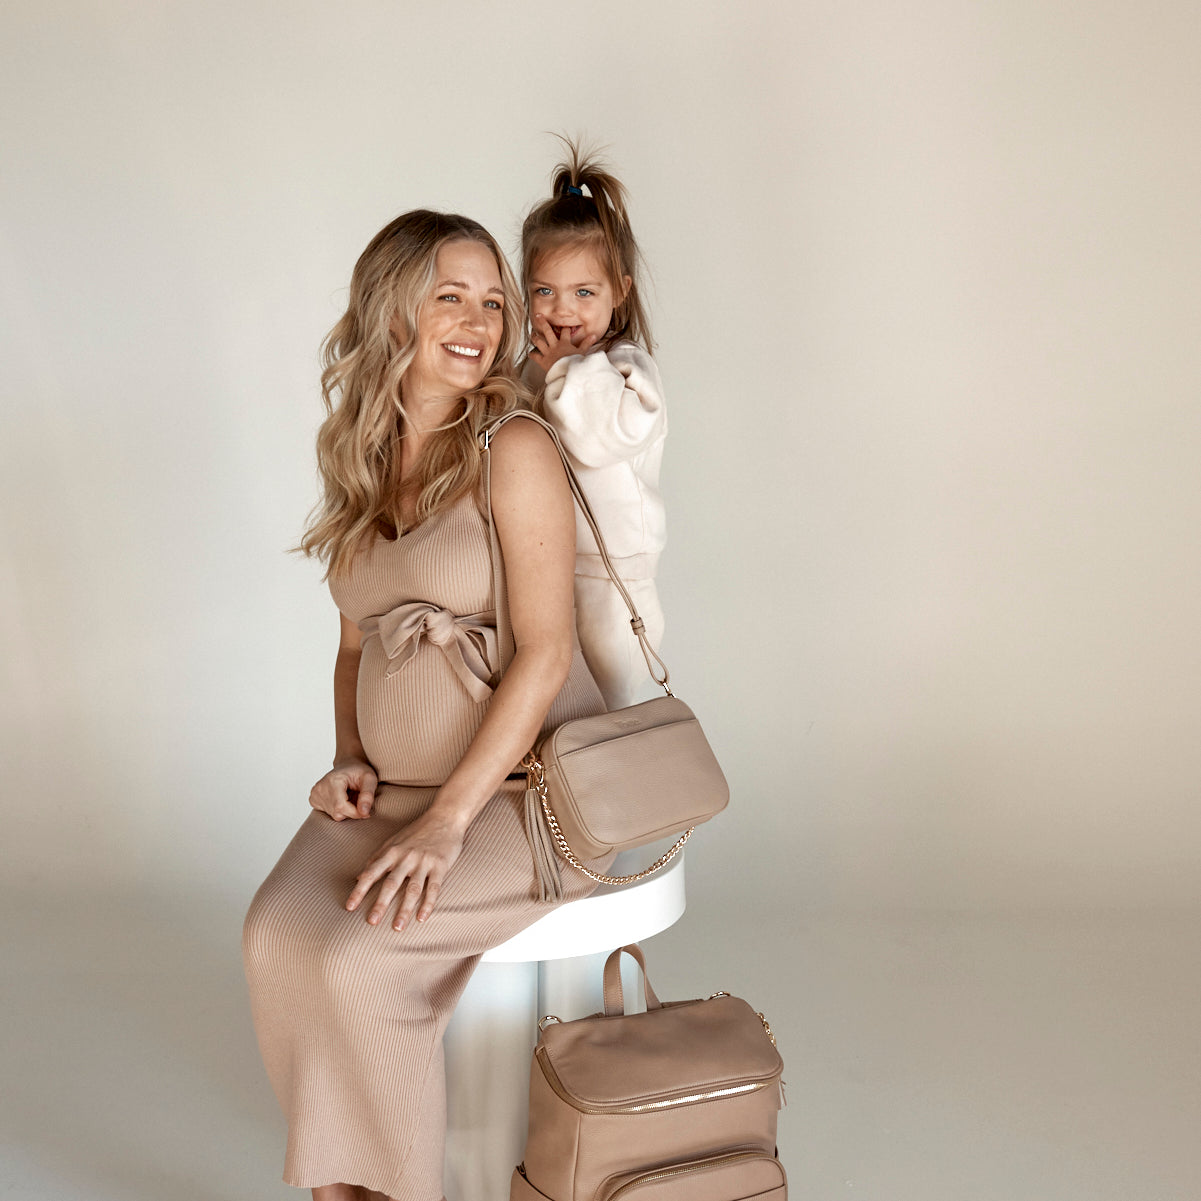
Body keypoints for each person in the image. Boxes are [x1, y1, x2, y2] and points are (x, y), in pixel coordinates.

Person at [242, 210, 613, 1201]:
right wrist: (349, 754)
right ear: (391, 309)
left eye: (493, 301)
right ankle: (341, 1191)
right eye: (451, 296)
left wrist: (448, 822)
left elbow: (545, 653)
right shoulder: (361, 461)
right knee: (276, 935)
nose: (480, 322)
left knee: (362, 960)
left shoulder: (512, 446)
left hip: (521, 795)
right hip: (396, 792)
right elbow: (353, 643)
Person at [521, 142, 667, 710]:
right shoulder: (538, 369)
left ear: (619, 293)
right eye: (545, 291)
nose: (563, 310)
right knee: (552, 716)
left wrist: (562, 369)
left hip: (613, 584)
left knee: (608, 724)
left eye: (585, 292)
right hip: (544, 577)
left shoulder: (628, 370)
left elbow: (601, 436)